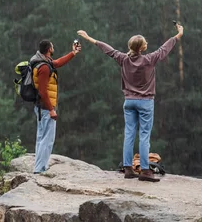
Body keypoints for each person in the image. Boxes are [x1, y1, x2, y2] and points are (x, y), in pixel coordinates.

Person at [77, 24, 184, 182]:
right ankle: (145, 171)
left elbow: (108, 50)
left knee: (129, 134)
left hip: (129, 102)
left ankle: (128, 169)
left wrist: (88, 38)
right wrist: (179, 34)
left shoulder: (123, 59)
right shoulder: (149, 59)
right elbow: (164, 48)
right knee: (144, 136)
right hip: (146, 102)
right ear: (142, 47)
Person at [31, 39, 81, 174]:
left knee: (41, 137)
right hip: (46, 108)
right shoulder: (44, 67)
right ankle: (40, 169)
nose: (53, 48)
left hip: (41, 107)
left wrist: (73, 53)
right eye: (52, 46)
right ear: (49, 49)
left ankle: (39, 166)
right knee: (47, 139)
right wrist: (51, 109)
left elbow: (58, 63)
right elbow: (42, 91)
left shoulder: (40, 61)